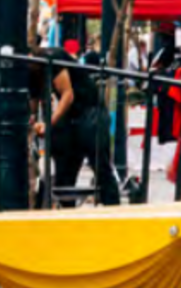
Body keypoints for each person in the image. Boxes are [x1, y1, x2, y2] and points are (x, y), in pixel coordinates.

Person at [31, 47, 121, 206]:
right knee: (64, 173)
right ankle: (67, 214)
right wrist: (33, 123)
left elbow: (67, 94)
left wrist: (48, 125)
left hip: (90, 111)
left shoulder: (52, 57)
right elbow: (34, 102)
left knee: (101, 168)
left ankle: (114, 213)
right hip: (71, 118)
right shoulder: (31, 73)